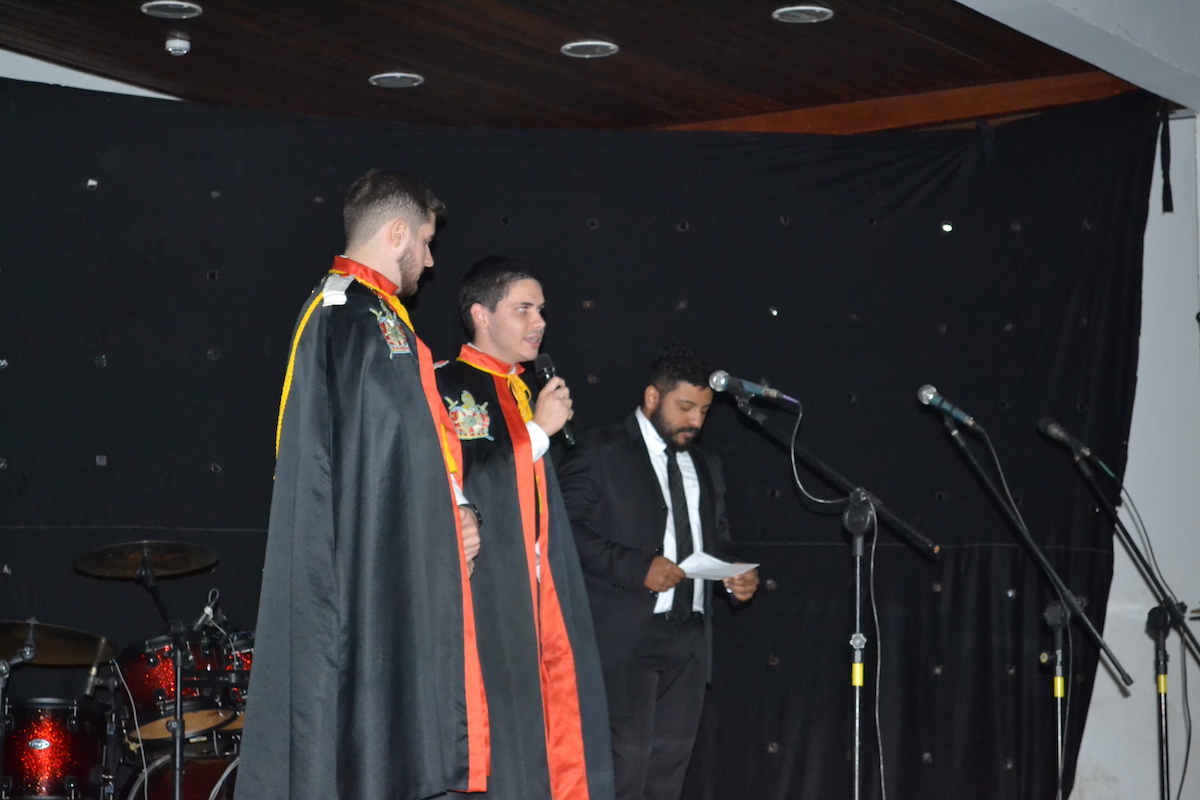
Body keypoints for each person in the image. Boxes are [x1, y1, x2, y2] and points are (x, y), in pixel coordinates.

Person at [236, 169, 488, 800]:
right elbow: (345, 468)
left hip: (393, 571)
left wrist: (455, 508)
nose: (430, 260)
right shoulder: (343, 313)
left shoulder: (380, 316)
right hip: (358, 578)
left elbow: (410, 447)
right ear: (396, 232)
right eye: (425, 242)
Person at [435, 256, 615, 800]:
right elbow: (454, 488)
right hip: (487, 595)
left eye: (541, 311)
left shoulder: (521, 388)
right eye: (523, 309)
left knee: (555, 735)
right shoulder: (444, 385)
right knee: (504, 743)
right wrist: (538, 432)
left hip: (542, 595)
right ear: (481, 314)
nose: (539, 323)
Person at [557, 344, 760, 800]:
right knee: (622, 774)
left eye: (704, 411)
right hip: (624, 639)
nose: (696, 421)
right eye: (685, 407)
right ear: (652, 398)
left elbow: (718, 539)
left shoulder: (706, 464)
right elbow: (563, 530)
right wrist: (637, 567)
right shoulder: (599, 449)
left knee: (666, 776)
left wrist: (735, 576)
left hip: (688, 640)